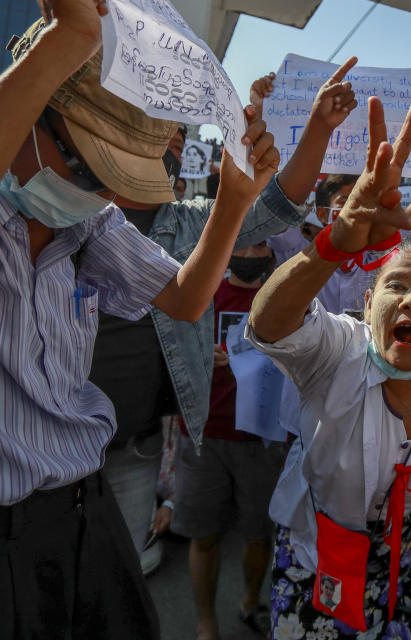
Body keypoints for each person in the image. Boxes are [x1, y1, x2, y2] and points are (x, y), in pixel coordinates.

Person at [0, 3, 280, 638]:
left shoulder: (89, 223)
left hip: (84, 510)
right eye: (81, 167)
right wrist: (72, 38)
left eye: (110, 183)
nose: (94, 195)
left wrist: (235, 199)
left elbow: (184, 299)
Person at [85, 59, 356, 579]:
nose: (166, 143)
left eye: (174, 135)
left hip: (132, 451)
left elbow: (277, 206)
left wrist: (319, 128)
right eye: (151, 130)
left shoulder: (189, 221)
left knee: (114, 579)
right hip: (42, 443)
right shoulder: (63, 216)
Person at [247, 97, 411, 639]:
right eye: (396, 287)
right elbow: (270, 324)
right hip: (322, 563)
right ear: (365, 304)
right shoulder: (337, 350)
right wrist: (335, 238)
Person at [171, 241, 287, 640]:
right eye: (244, 244)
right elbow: (171, 348)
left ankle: (250, 602)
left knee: (259, 534)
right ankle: (206, 622)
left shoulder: (285, 297)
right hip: (204, 434)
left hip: (263, 437)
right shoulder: (203, 292)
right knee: (204, 535)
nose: (252, 254)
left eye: (261, 246)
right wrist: (201, 353)